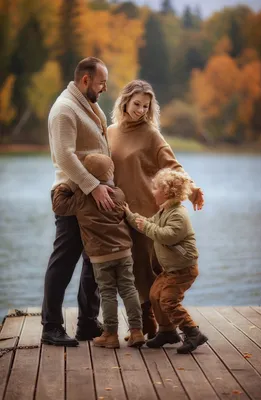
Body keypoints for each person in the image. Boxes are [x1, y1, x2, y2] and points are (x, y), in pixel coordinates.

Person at [107, 80, 204, 340]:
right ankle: (147, 324)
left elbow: (173, 165)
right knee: (131, 272)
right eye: (136, 104)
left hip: (149, 216)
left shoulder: (151, 134)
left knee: (151, 270)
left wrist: (192, 188)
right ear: (125, 101)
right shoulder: (110, 132)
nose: (140, 110)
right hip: (120, 215)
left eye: (145, 106)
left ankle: (166, 327)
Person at [41, 57, 114, 347]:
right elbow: (64, 156)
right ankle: (51, 327)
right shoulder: (64, 110)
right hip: (73, 195)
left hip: (93, 195)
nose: (104, 88)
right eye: (101, 83)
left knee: (94, 260)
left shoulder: (87, 105)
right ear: (85, 80)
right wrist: (94, 186)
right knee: (63, 261)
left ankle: (86, 323)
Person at [52, 153, 145, 349]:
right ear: (110, 172)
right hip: (123, 252)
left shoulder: (81, 198)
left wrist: (68, 184)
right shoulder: (118, 193)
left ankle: (110, 334)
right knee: (129, 289)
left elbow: (58, 207)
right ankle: (136, 331)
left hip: (101, 256)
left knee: (108, 292)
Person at [125, 168, 208, 353]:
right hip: (170, 270)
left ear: (167, 192)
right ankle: (167, 331)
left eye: (155, 188)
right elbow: (147, 223)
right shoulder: (164, 211)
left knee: (169, 301)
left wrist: (146, 226)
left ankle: (193, 333)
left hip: (183, 269)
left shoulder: (178, 214)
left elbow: (167, 236)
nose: (152, 191)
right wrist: (129, 214)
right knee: (155, 295)